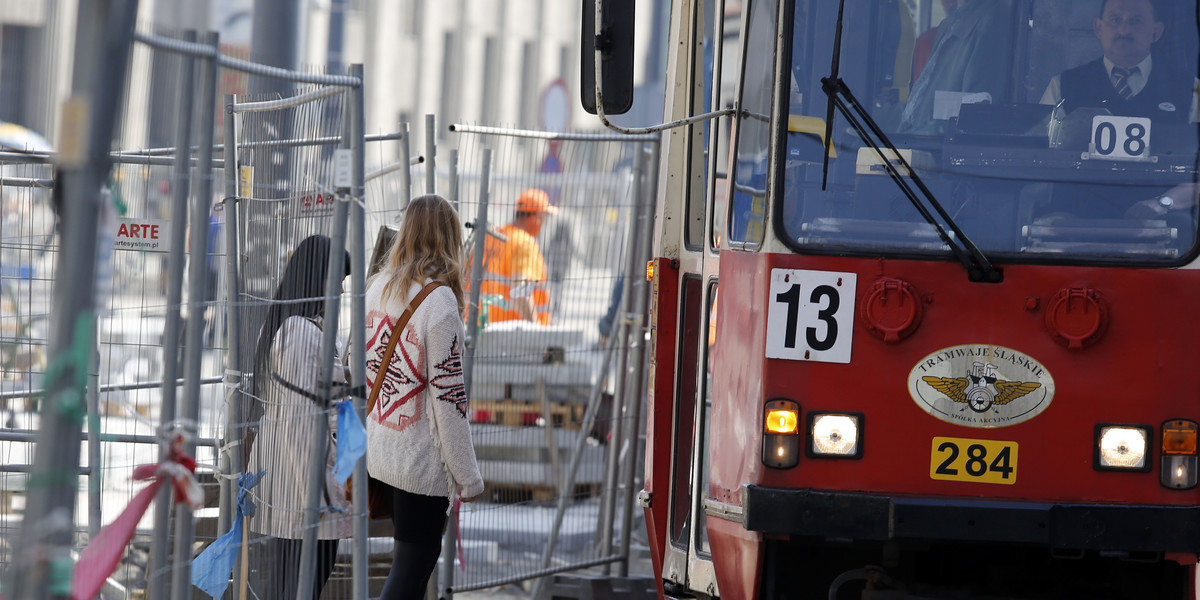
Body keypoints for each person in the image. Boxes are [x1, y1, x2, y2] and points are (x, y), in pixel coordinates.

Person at [364, 194, 485, 600]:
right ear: (450, 239)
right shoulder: (440, 302)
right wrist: (467, 477)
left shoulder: (378, 286)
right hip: (419, 464)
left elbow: (356, 360)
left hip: (382, 451)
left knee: (407, 566)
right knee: (412, 568)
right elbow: (449, 401)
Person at [245, 234, 353, 600]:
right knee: (299, 586)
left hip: (294, 493)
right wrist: (326, 501)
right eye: (336, 282)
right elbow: (305, 425)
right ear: (318, 279)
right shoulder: (302, 333)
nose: (339, 292)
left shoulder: (291, 326)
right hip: (304, 499)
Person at [1039, 0, 1199, 123]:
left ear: (1156, 32)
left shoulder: (1191, 91)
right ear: (1098, 28)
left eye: (1136, 21)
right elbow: (1039, 152)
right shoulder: (1062, 87)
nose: (1124, 30)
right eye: (1115, 20)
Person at [898, 0, 1016, 134]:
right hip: (917, 144)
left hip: (937, 148)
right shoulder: (949, 24)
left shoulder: (994, 20)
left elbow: (974, 121)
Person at [477, 188, 558, 325]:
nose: (544, 223)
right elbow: (520, 293)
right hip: (513, 336)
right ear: (536, 217)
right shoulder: (524, 243)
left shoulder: (493, 237)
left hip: (482, 330)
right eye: (544, 217)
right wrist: (536, 331)